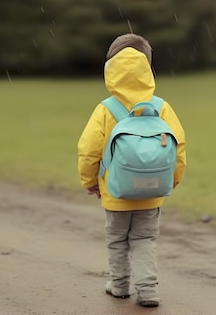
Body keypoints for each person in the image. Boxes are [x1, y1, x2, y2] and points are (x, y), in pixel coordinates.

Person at [78, 33, 187, 308]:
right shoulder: (161, 107)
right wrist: (172, 179)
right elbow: (179, 146)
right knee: (144, 239)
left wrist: (90, 181)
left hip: (116, 191)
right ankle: (148, 290)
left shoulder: (106, 109)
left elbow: (89, 150)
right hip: (152, 191)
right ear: (149, 71)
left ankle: (119, 285)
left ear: (110, 71)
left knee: (117, 240)